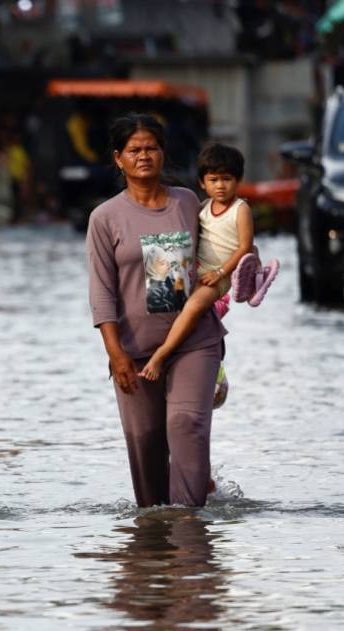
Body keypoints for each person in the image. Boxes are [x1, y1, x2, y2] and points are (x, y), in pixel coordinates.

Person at [87, 113, 227, 508]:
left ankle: (188, 524)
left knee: (186, 424)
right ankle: (152, 546)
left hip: (194, 341)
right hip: (134, 349)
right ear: (118, 158)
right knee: (146, 445)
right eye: (134, 150)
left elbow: (219, 253)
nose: (144, 156)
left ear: (163, 154)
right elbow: (101, 292)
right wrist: (116, 354)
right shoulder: (105, 218)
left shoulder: (187, 203)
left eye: (151, 148)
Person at [139, 144, 279, 380]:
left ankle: (161, 354)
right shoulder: (204, 207)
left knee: (193, 307)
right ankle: (159, 345)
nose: (220, 185)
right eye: (213, 180)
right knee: (163, 294)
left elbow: (245, 246)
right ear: (203, 183)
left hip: (220, 276)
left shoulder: (240, 210)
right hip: (198, 268)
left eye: (227, 179)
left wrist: (221, 273)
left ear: (238, 180)